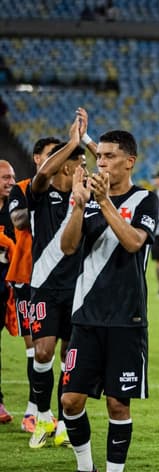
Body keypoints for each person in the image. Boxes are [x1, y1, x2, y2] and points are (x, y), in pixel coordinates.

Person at [58, 129, 159, 472]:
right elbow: (68, 248)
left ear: (129, 161)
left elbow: (134, 242)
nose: (101, 163)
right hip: (86, 316)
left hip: (127, 319)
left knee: (118, 405)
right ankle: (85, 469)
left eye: (109, 156)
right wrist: (78, 205)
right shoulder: (85, 199)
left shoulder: (145, 199)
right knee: (70, 399)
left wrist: (103, 204)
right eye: (98, 156)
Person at [27, 112, 92, 449]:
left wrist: (87, 140)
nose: (86, 171)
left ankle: (66, 424)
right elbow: (42, 172)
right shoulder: (39, 194)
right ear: (68, 166)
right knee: (42, 351)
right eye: (81, 165)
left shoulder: (87, 199)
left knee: (70, 357)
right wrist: (72, 142)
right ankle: (41, 416)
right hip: (45, 287)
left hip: (79, 290)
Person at [7, 137, 61, 433]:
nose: (57, 159)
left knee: (65, 350)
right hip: (28, 276)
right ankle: (35, 411)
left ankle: (60, 416)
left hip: (63, 280)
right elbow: (19, 222)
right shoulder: (24, 188)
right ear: (37, 158)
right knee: (36, 350)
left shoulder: (68, 189)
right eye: (51, 154)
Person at [0, 159, 16, 424]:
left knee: (35, 344)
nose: (11, 182)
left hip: (11, 285)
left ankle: (37, 409)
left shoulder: (15, 210)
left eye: (12, 177)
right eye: (5, 178)